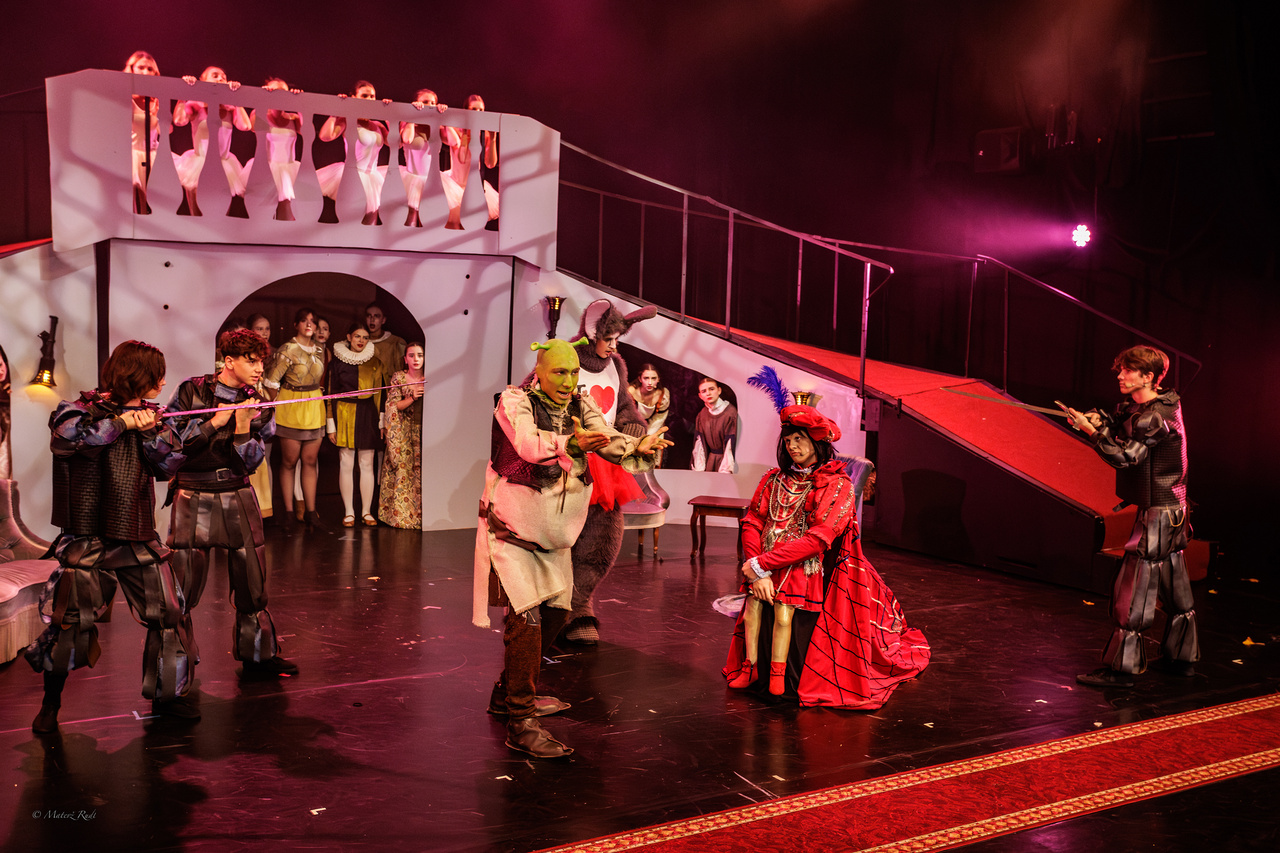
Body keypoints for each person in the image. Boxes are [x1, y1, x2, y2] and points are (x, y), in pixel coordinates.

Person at [473, 338, 670, 758]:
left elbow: (607, 436)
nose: (568, 381)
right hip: (513, 531)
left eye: (573, 372)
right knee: (526, 621)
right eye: (559, 372)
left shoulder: (581, 403)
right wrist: (572, 445)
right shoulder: (514, 401)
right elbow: (527, 444)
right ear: (539, 372)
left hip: (556, 536)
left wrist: (637, 447)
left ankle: (507, 694)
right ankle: (520, 719)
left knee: (557, 614)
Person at [26, 341, 195, 733]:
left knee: (169, 613)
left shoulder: (153, 417)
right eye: (157, 375)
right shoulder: (77, 410)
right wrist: (121, 424)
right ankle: (50, 704)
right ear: (138, 375)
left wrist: (150, 432)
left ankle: (167, 697)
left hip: (135, 533)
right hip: (88, 536)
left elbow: (169, 464)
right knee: (69, 623)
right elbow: (69, 441)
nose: (163, 383)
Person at [723, 405, 930, 707]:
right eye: (788, 440)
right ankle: (751, 667)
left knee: (784, 614)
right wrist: (756, 566)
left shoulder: (836, 484)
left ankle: (780, 677)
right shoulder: (773, 479)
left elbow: (820, 538)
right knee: (755, 606)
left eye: (799, 439)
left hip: (800, 567)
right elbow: (754, 520)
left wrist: (759, 564)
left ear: (817, 441)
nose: (792, 446)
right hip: (767, 563)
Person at [165, 329, 299, 678]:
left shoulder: (259, 401)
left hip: (237, 491)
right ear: (229, 361)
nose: (259, 369)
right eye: (251, 361)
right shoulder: (191, 391)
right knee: (182, 588)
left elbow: (252, 462)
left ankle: (259, 656)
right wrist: (215, 422)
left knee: (253, 582)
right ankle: (175, 670)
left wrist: (241, 428)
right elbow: (174, 444)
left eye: (261, 362)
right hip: (193, 493)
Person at [1062, 345, 1198, 688]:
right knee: (1175, 585)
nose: (1120, 376)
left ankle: (1122, 669)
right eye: (1121, 369)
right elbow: (1119, 420)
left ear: (1148, 376)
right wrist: (1096, 421)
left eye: (1128, 370)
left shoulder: (1155, 415)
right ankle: (1181, 659)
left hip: (1161, 514)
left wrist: (1092, 433)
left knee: (1135, 585)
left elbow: (1127, 458)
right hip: (1172, 509)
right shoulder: (1151, 404)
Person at [560, 299, 656, 644]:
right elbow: (537, 394)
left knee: (602, 539)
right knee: (560, 536)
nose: (614, 346)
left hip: (607, 463)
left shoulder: (616, 365)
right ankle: (551, 604)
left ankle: (579, 604)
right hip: (570, 459)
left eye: (617, 339)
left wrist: (633, 426)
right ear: (593, 333)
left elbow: (625, 407)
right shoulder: (566, 357)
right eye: (609, 338)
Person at [263, 308, 326, 530]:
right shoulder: (287, 349)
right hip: (291, 406)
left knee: (310, 461)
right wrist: (278, 404)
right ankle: (289, 513)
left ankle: (311, 512)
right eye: (304, 320)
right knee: (289, 462)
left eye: (313, 321)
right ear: (296, 324)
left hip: (314, 407)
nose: (309, 324)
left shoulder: (320, 349)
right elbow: (271, 381)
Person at [327, 321, 386, 527]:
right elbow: (330, 394)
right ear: (349, 337)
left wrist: (381, 422)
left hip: (368, 413)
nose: (361, 340)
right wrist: (331, 425)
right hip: (344, 413)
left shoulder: (375, 362)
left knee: (367, 463)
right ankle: (349, 512)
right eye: (358, 336)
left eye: (365, 337)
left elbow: (380, 393)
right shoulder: (336, 363)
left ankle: (366, 512)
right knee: (346, 463)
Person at [172, 66, 252, 218]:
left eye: (224, 76)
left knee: (220, 208)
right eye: (215, 76)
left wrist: (236, 97)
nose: (221, 78)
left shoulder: (230, 108)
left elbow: (245, 126)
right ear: (203, 81)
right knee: (198, 207)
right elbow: (179, 121)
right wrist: (183, 92)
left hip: (224, 162)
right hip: (199, 162)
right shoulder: (196, 105)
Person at [317, 80, 391, 225]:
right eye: (364, 96)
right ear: (354, 97)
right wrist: (336, 111)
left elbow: (397, 144)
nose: (369, 100)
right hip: (353, 173)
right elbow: (325, 136)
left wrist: (389, 116)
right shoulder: (347, 121)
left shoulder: (378, 125)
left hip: (373, 176)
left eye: (372, 96)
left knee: (371, 217)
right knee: (352, 217)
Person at [378, 342, 425, 529]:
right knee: (403, 470)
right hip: (404, 432)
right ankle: (402, 516)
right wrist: (412, 397)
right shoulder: (399, 377)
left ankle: (425, 515)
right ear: (405, 359)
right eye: (411, 355)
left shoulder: (430, 376)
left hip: (426, 431)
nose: (416, 359)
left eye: (419, 355)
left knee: (422, 471)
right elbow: (393, 405)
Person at [440, 94, 498, 230]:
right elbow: (462, 158)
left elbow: (490, 164)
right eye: (474, 109)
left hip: (473, 185)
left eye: (481, 110)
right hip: (455, 184)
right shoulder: (457, 129)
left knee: (470, 225)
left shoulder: (485, 134)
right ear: (466, 110)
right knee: (454, 224)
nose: (477, 113)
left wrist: (493, 139)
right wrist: (466, 133)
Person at [255, 76, 304, 221]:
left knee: (288, 209)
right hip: (268, 167)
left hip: (289, 168)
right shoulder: (262, 115)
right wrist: (263, 98)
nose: (280, 96)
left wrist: (300, 102)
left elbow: (307, 132)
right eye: (275, 92)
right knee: (264, 211)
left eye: (283, 92)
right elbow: (251, 126)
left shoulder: (293, 118)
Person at [401, 88, 448, 227]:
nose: (429, 106)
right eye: (425, 102)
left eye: (433, 103)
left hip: (432, 180)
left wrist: (444, 116)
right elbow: (407, 139)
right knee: (411, 219)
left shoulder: (437, 128)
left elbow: (454, 141)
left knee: (430, 220)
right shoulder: (408, 124)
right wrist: (412, 115)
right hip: (413, 180)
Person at [124, 51, 160, 215]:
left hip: (153, 153)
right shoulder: (125, 97)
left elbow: (164, 130)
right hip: (133, 154)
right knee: (135, 202)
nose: (145, 72)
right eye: (141, 67)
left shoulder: (156, 100)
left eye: (150, 69)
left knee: (154, 202)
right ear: (132, 69)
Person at [628, 363, 670, 468]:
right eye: (646, 378)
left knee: (652, 459)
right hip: (632, 427)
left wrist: (648, 438)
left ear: (658, 379)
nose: (650, 382)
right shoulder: (630, 392)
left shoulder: (662, 395)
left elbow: (658, 419)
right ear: (640, 379)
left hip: (653, 428)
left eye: (653, 378)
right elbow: (626, 417)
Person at [691, 377, 737, 473]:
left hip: (725, 461)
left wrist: (725, 470)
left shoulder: (730, 413)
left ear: (719, 390)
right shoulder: (702, 415)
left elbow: (730, 446)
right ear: (700, 396)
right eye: (704, 391)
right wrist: (699, 468)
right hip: (711, 461)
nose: (708, 393)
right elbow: (699, 444)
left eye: (711, 389)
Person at [365, 302, 406, 378]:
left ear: (383, 320)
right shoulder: (361, 343)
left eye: (376, 316)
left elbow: (402, 371)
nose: (372, 319)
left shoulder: (396, 342)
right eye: (369, 316)